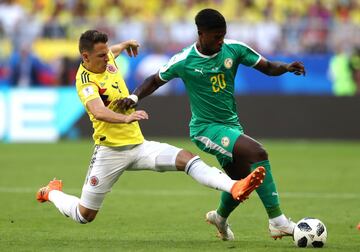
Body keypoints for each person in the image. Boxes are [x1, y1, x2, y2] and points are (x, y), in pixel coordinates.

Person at [36, 30, 266, 226]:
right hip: (110, 152)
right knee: (84, 215)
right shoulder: (85, 81)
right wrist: (125, 118)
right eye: (101, 55)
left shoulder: (107, 59)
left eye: (107, 53)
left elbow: (112, 51)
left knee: (187, 159)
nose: (107, 58)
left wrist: (124, 45)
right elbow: (98, 111)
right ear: (85, 57)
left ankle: (235, 186)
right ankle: (51, 192)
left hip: (139, 146)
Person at [117, 9, 306, 241]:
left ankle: (219, 216)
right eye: (216, 36)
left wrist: (285, 67)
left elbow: (267, 67)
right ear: (200, 34)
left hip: (231, 126)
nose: (220, 41)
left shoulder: (234, 49)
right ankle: (278, 222)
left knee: (241, 182)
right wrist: (134, 98)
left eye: (223, 35)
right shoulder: (184, 60)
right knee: (258, 152)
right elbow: (154, 80)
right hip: (205, 129)